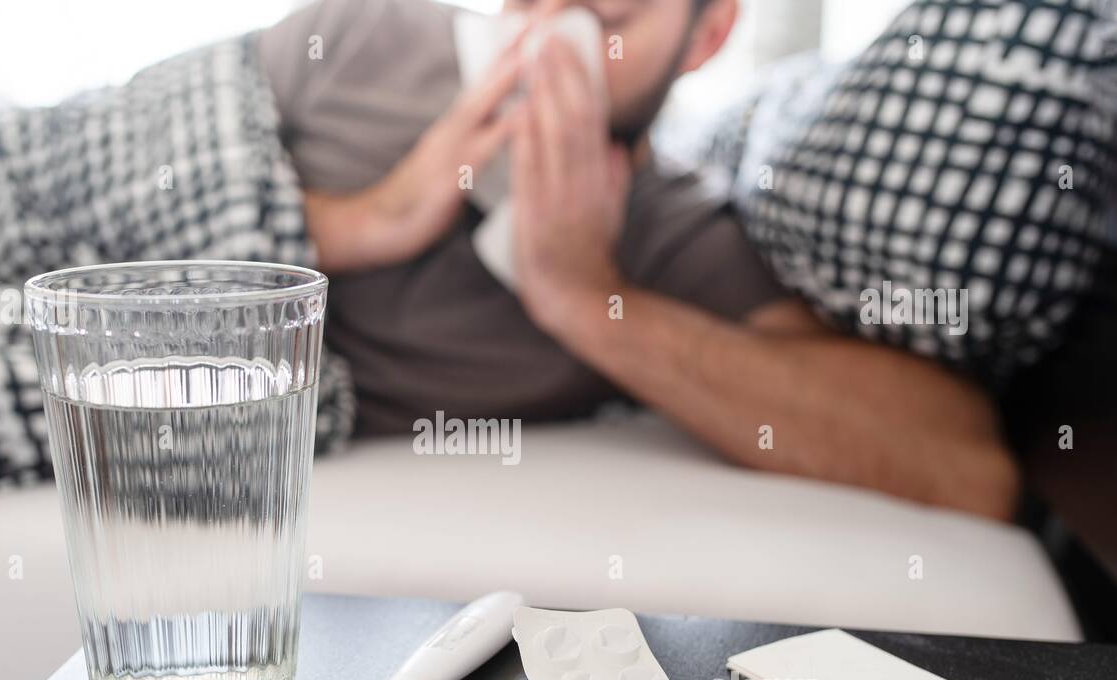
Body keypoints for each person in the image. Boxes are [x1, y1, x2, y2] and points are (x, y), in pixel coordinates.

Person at [259, 0, 1020, 520]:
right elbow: (147, 167)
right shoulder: (357, 36)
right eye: (526, 3)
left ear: (707, 35)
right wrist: (363, 220)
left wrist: (587, 296)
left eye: (603, 22)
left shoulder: (674, 233)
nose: (541, 41)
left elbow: (966, 467)